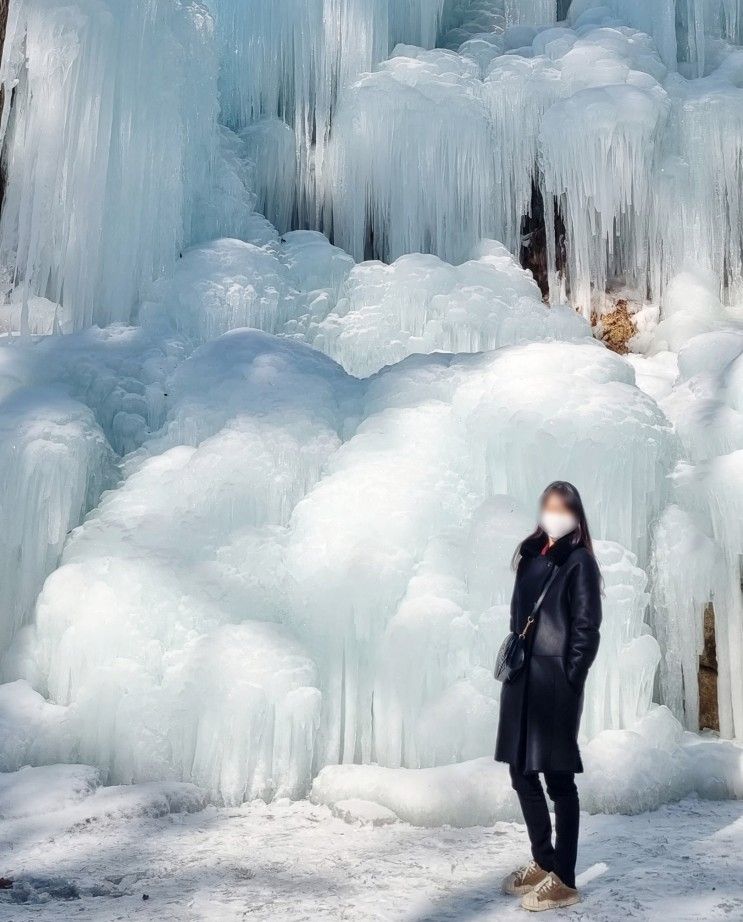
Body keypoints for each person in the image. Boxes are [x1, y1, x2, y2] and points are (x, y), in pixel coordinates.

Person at [495, 481, 602, 912]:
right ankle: (543, 860)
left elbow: (587, 629)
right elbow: (517, 615)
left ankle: (565, 879)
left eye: (562, 507)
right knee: (520, 771)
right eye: (548, 506)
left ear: (575, 514)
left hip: (556, 684)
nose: (553, 514)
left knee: (559, 780)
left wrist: (571, 676)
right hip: (522, 680)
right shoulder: (528, 556)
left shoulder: (580, 563)